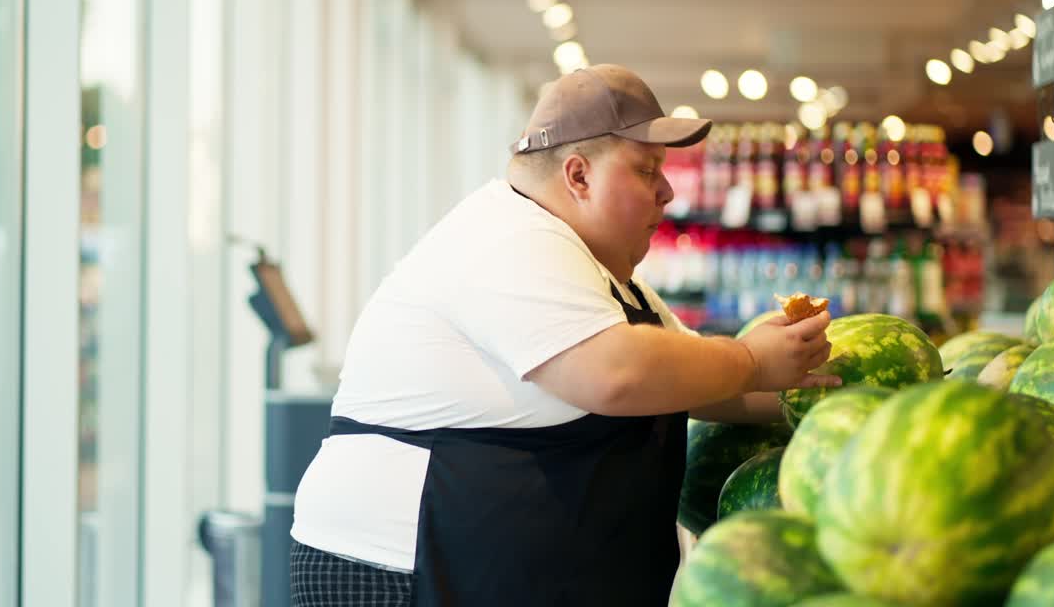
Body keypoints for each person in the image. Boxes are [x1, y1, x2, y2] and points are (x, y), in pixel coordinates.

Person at [289, 64, 836, 607]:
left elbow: (697, 382)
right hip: (398, 575)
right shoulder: (508, 239)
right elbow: (616, 376)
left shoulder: (602, 274)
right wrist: (751, 359)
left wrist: (824, 388)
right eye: (647, 170)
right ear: (579, 175)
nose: (667, 191)